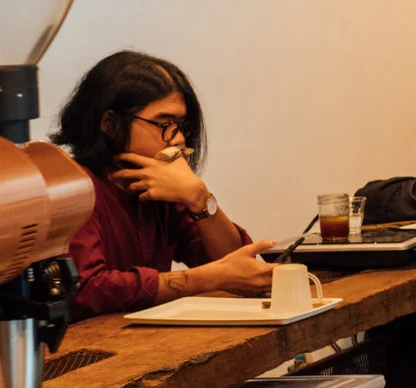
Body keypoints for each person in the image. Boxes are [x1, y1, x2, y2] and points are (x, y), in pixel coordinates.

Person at [53, 50, 276, 321]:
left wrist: (200, 197)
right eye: (164, 124)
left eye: (181, 125)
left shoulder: (159, 188)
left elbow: (236, 265)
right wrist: (204, 279)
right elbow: (87, 289)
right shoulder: (71, 187)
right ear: (109, 124)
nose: (179, 139)